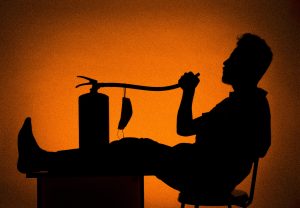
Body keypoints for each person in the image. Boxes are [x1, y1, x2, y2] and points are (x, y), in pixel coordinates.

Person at [17, 33, 272, 197]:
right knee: (129, 149)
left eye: (234, 58)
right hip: (195, 167)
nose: (225, 62)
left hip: (204, 176)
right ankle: (44, 160)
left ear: (247, 67)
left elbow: (260, 146)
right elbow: (183, 128)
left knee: (130, 149)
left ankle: (42, 160)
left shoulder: (252, 106)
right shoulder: (232, 104)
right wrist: (188, 92)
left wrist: (225, 145)